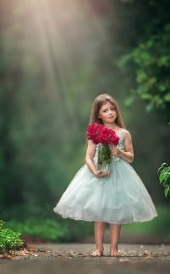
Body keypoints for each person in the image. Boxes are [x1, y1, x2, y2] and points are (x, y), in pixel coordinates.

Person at [53, 94, 157, 257]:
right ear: (98, 114)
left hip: (118, 174)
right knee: (99, 211)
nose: (110, 113)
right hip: (98, 172)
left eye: (112, 109)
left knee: (116, 212)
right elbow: (88, 156)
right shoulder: (95, 132)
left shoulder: (124, 133)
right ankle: (99, 247)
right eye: (105, 110)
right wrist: (94, 171)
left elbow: (131, 157)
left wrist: (120, 152)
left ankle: (114, 248)